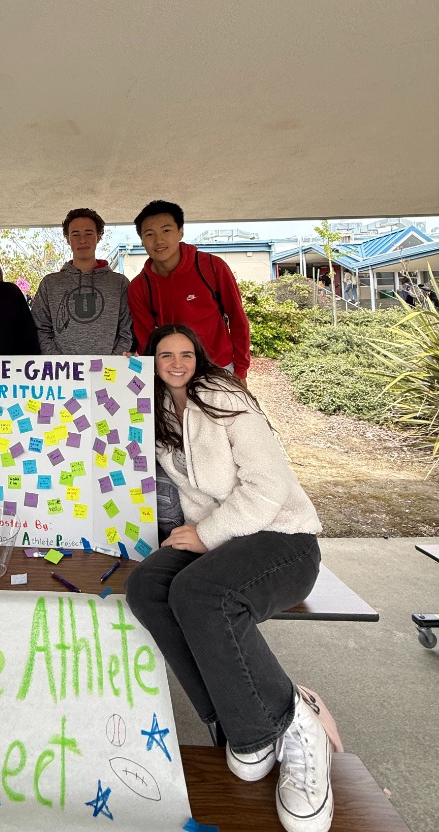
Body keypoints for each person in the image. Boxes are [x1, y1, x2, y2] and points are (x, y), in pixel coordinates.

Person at [126, 324, 332, 832]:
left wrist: (208, 533)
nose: (176, 362)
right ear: (149, 361)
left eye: (185, 353)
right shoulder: (154, 414)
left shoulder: (225, 398)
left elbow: (269, 487)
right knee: (147, 587)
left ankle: (296, 720)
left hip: (282, 538)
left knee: (198, 593)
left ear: (198, 357)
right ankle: (239, 718)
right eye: (164, 354)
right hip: (219, 541)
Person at [128, 201, 251, 381]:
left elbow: (238, 319)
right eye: (149, 234)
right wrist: (138, 370)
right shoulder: (139, 286)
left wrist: (240, 371)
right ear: (142, 240)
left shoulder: (212, 267)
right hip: (173, 373)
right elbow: (146, 340)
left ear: (180, 231)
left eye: (166, 230)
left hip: (219, 368)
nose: (159, 240)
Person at [31, 208, 132, 355]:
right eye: (75, 234)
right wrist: (61, 364)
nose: (82, 240)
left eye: (89, 233)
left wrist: (112, 364)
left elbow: (127, 330)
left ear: (99, 236)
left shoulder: (119, 283)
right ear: (67, 238)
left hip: (109, 372)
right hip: (63, 372)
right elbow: (40, 328)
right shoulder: (50, 283)